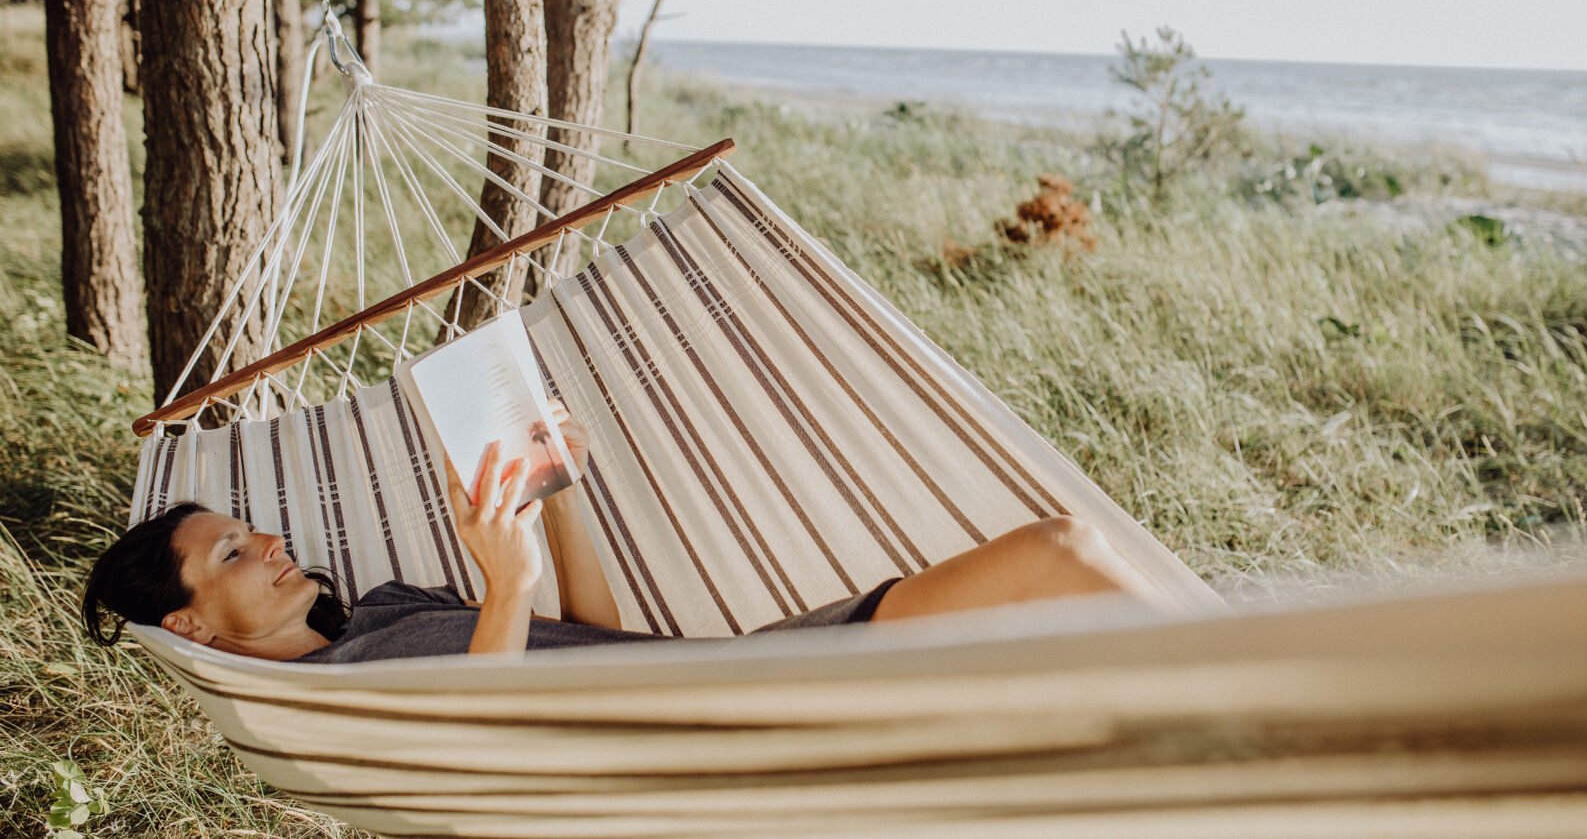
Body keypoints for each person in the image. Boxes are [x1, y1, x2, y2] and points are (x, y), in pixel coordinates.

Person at [82, 405, 1161, 663]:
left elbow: (588, 644)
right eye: (231, 551)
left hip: (702, 680)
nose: (268, 541)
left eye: (253, 528)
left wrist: (555, 500)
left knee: (1060, 557)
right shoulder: (327, 695)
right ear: (189, 621)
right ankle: (1302, 714)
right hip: (721, 726)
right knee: (1056, 557)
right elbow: (482, 761)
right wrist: (502, 586)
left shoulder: (384, 609)